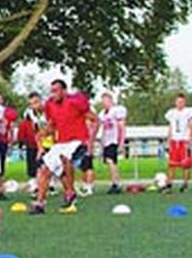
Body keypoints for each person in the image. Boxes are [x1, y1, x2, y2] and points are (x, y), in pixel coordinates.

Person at [30, 79, 96, 214]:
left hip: (77, 140)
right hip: (61, 142)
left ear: (64, 91)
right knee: (44, 169)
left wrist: (91, 141)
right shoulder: (50, 105)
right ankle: (40, 203)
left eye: (56, 91)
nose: (53, 94)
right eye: (51, 91)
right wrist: (42, 134)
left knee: (65, 158)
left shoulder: (75, 103)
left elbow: (95, 120)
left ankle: (70, 191)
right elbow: (53, 125)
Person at [163, 93, 192, 192]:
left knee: (185, 164)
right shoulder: (171, 113)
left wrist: (190, 139)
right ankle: (169, 184)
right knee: (172, 164)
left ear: (185, 102)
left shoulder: (188, 112)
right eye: (178, 102)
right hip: (174, 141)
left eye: (181, 102)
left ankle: (185, 184)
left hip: (184, 140)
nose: (179, 104)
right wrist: (168, 138)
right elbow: (170, 126)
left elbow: (191, 125)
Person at [97, 92, 127, 194]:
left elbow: (122, 127)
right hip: (107, 141)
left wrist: (121, 142)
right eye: (103, 101)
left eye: (106, 100)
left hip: (114, 140)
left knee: (110, 161)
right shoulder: (102, 114)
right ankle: (116, 183)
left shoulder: (116, 111)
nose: (104, 103)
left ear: (110, 100)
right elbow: (104, 130)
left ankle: (115, 184)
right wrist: (102, 143)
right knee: (111, 162)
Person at [17, 92, 45, 192]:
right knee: (36, 165)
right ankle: (36, 186)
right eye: (32, 104)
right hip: (34, 144)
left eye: (36, 102)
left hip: (47, 143)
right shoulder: (27, 122)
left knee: (47, 166)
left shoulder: (47, 112)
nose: (34, 106)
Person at [0, 93, 18, 195]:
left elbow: (10, 127)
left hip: (2, 141)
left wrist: (11, 141)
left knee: (0, 166)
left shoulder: (6, 112)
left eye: (0, 99)